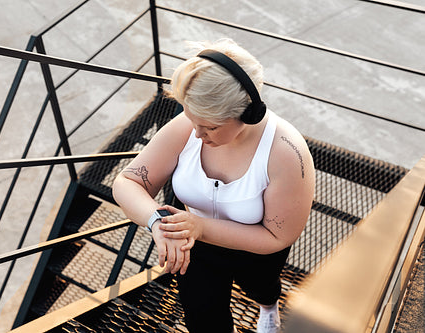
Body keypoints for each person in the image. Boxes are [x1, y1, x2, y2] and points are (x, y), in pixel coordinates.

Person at [112, 38, 315, 333]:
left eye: (210, 127)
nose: (196, 134)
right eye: (192, 120)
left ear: (248, 113)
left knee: (262, 287)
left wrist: (200, 226)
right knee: (203, 320)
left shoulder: (285, 152)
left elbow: (278, 236)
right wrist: (157, 222)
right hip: (196, 245)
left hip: (254, 248)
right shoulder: (189, 126)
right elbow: (127, 181)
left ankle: (269, 307)